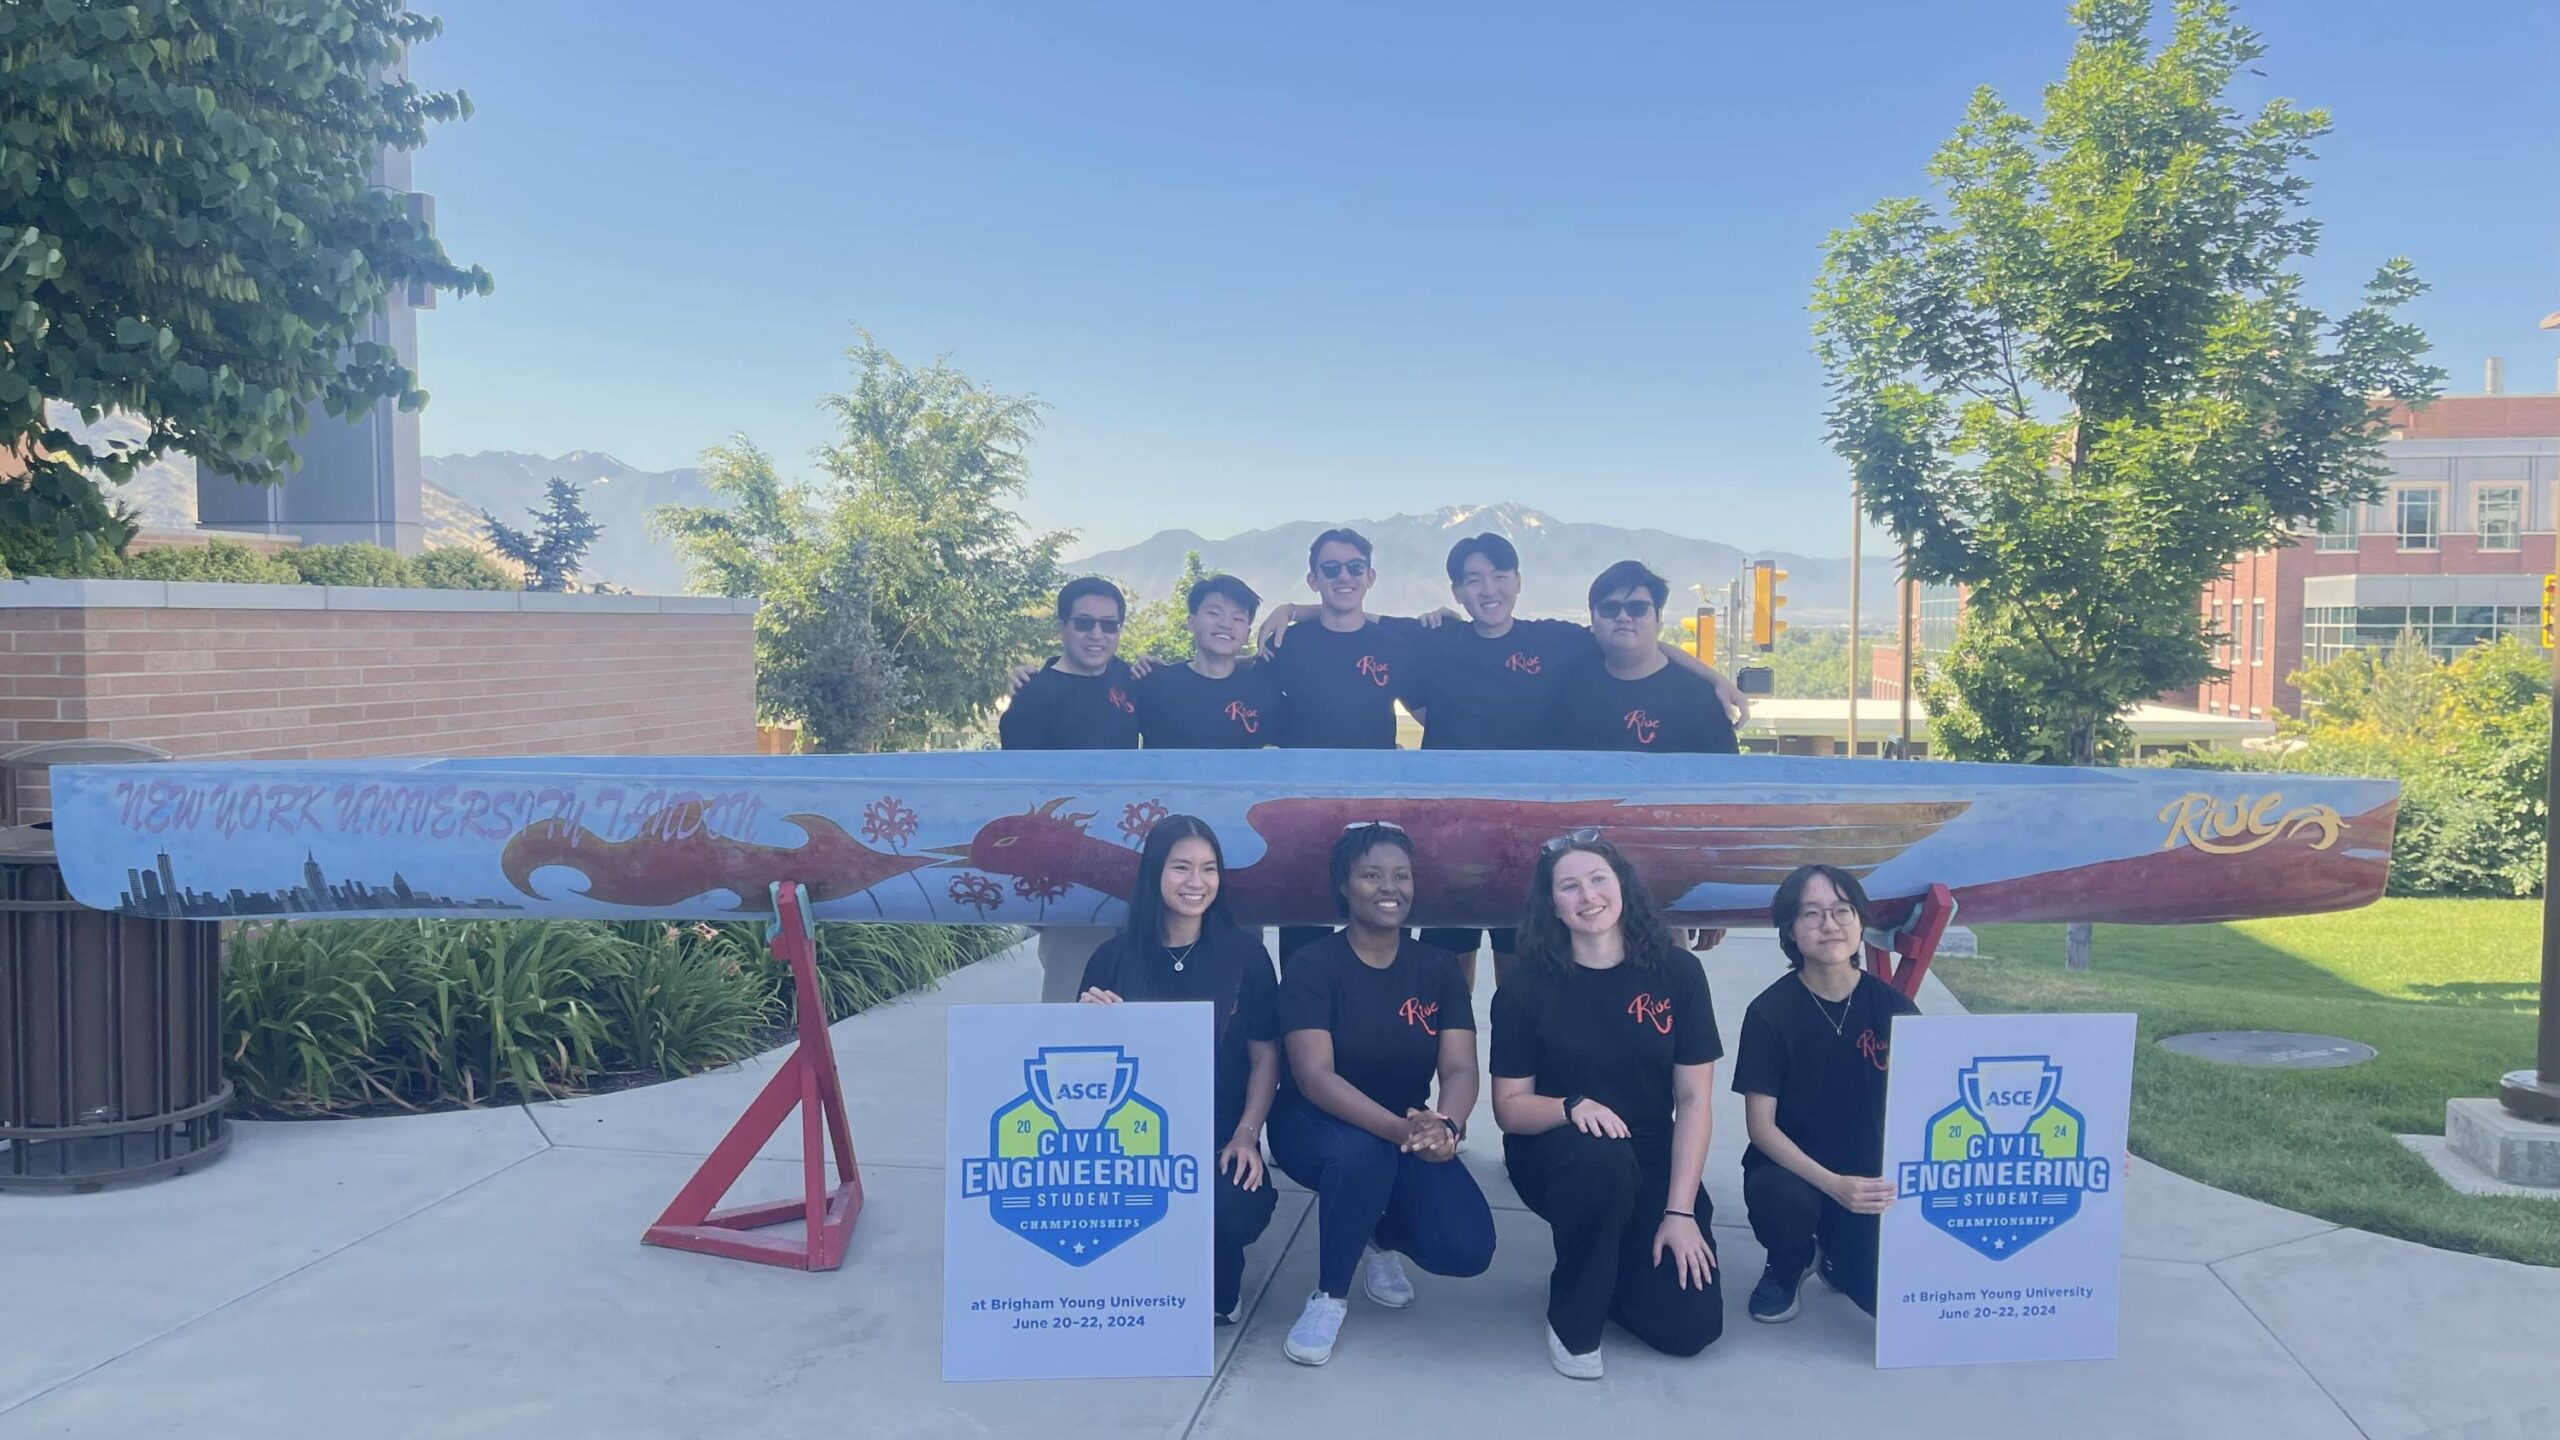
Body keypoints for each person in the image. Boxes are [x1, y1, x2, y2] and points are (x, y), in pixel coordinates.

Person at [1405, 534, 1747, 990]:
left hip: (1536, 847)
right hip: (1453, 839)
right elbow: (1359, 625)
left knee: (1529, 983)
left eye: (1499, 576)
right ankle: (1457, 1066)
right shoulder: (1437, 639)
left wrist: (1714, 677)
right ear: (1456, 591)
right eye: (1473, 580)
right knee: (1445, 986)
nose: (1488, 589)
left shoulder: (1554, 642)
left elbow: (1634, 644)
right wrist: (1293, 611)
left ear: (1518, 581)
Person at [1491, 830, 1723, 1378]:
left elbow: (1694, 1101)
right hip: (1559, 1153)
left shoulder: (1678, 973)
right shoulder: (1525, 989)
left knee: (1689, 1328)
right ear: (1552, 903)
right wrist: (1570, 1107)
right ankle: (1572, 1318)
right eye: (1568, 886)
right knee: (1600, 1165)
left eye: (1598, 879)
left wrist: (1680, 1212)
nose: (1587, 895)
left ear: (1622, 886)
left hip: (1649, 1154)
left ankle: (1607, 1265)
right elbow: (1509, 1107)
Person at [1267, 823, 1495, 1366]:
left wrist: (1447, 1126)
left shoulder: (1436, 967)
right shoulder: (1312, 965)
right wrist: (1401, 1131)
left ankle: (1376, 1235)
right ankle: (1329, 1295)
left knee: (1466, 1248)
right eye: (1371, 875)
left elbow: (1461, 1066)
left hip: (1409, 1128)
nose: (1388, 888)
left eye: (1400, 876)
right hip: (1313, 1123)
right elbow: (1315, 1077)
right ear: (1344, 885)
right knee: (1360, 1155)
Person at [1078, 816, 1281, 1324]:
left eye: (1209, 869)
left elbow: (1265, 1056)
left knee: (1234, 1212)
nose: (1197, 882)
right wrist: (1086, 1020)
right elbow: (1081, 1065)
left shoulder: (1246, 957)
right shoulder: (1113, 958)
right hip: (1131, 1147)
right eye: (1182, 867)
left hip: (1217, 1142)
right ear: (1155, 873)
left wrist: (1246, 1136)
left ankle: (1217, 1261)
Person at [1732, 863, 1919, 1323]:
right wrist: (1834, 1186)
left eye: (1842, 910)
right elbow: (1761, 1128)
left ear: (1860, 922)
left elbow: (1936, 1102)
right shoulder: (1769, 1013)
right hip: (1796, 1174)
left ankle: (1834, 1257)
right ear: (1791, 931)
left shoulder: (1896, 1009)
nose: (1830, 924)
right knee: (1780, 1195)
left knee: (1890, 1304)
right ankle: (1789, 1262)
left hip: (1871, 1181)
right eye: (1812, 914)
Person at [1257, 529, 1430, 963]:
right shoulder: (1286, 644)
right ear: (1313, 578)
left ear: (1371, 576)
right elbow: (1244, 691)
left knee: (1384, 930)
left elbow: (1425, 720)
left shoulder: (1398, 647)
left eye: (1354, 567)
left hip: (1377, 807)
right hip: (1302, 807)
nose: (1344, 577)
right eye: (1330, 569)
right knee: (1302, 938)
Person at [1000, 575, 1140, 1001]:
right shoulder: (1034, 698)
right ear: (1062, 627)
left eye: (1109, 625)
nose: (1097, 634)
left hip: (1129, 863)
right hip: (1069, 877)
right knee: (1072, 996)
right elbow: (1022, 798)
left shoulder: (1126, 677)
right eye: (1084, 623)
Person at [1555, 560, 1743, 756]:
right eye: (1609, 608)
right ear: (1592, 620)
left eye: (1637, 608)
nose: (1623, 617)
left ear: (1659, 618)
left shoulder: (1701, 699)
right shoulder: (1570, 689)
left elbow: (1724, 780)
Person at [1131, 573, 1286, 749]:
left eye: (1238, 618)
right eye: (1214, 613)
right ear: (1191, 622)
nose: (1226, 624)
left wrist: (1291, 610)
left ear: (1247, 634)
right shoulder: (1153, 683)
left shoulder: (1264, 693)